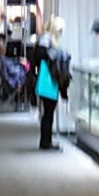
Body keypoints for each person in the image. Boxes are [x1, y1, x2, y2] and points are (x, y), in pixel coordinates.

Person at [29, 15, 70, 150]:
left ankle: (46, 140)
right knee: (48, 112)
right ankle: (46, 141)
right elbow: (42, 55)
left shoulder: (45, 39)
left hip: (46, 78)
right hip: (48, 79)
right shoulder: (47, 40)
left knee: (48, 112)